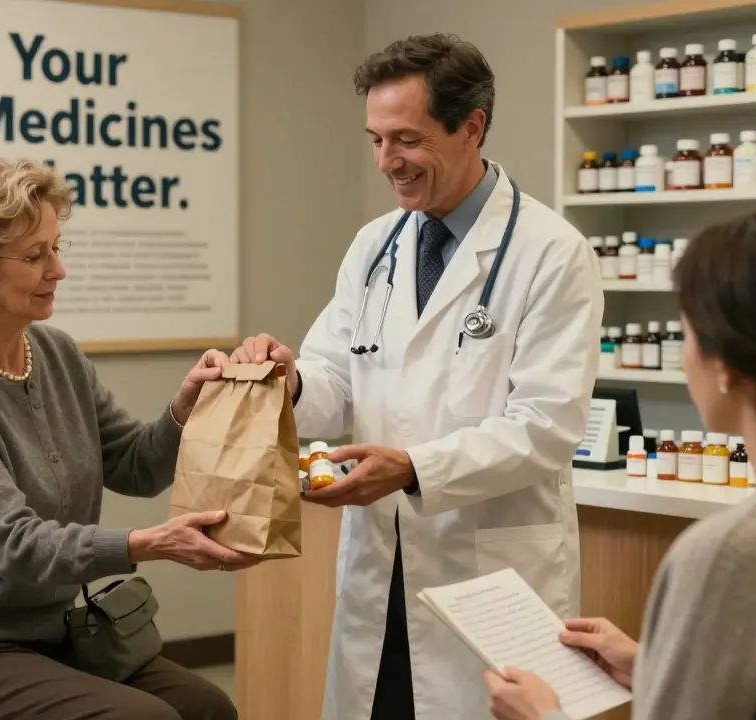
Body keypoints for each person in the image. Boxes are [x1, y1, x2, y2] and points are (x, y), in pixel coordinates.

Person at [229, 34, 603, 719]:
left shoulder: (551, 253)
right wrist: (289, 381)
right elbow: (337, 374)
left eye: (405, 139)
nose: (386, 162)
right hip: (383, 559)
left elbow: (547, 426)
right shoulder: (377, 245)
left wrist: (413, 468)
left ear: (473, 126)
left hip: (488, 567)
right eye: (374, 139)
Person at [0, 157, 246, 720]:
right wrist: (147, 543)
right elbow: (17, 546)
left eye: (57, 247)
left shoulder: (56, 354)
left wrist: (184, 407)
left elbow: (135, 465)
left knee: (207, 708)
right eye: (34, 256)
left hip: (51, 631)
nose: (59, 270)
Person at [483, 209, 756, 720]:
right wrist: (655, 665)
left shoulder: (732, 553)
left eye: (686, 329)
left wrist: (544, 716)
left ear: (727, 368)